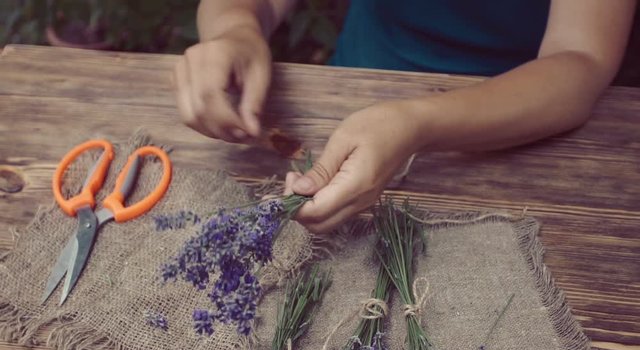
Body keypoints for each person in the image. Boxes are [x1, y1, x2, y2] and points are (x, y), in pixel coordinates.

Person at [173, 0, 636, 233]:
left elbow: (581, 59)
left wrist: (415, 125)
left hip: (522, 129)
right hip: (354, 92)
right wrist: (234, 30)